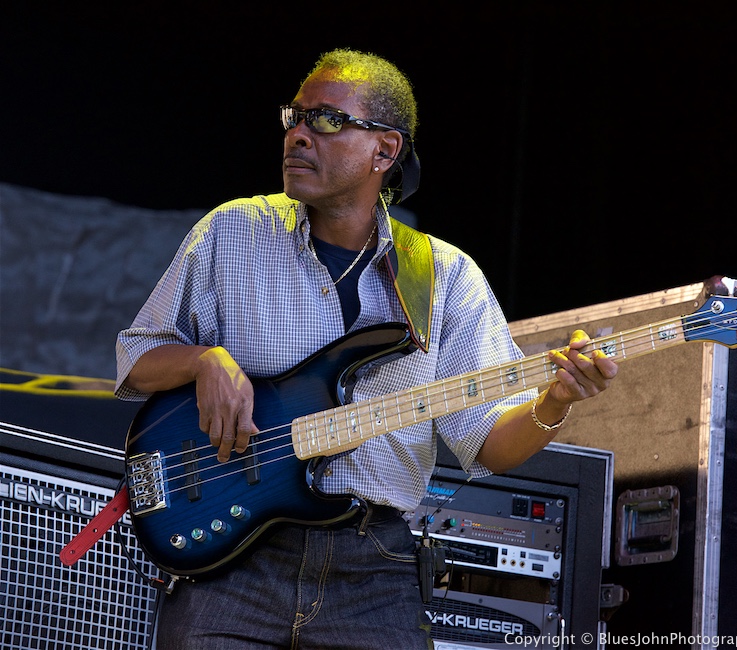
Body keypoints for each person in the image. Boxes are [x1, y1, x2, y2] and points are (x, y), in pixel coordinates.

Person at [115, 48, 617, 650]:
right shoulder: (232, 232)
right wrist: (204, 359)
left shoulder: (444, 277)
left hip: (374, 571)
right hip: (235, 562)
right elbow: (136, 357)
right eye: (293, 117)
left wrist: (557, 401)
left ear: (385, 151)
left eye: (325, 120)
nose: (298, 134)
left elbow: (489, 443)